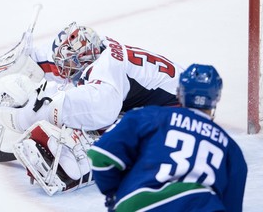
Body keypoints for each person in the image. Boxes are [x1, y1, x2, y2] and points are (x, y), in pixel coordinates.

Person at [0, 22, 185, 194]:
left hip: (180, 118)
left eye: (68, 64)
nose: (65, 70)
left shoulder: (106, 71)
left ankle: (78, 165)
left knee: (95, 136)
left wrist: (38, 108)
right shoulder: (103, 48)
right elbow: (70, 63)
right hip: (173, 98)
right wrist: (29, 60)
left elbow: (101, 108)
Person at [87, 64, 248, 212]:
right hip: (202, 206)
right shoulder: (231, 149)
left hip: (141, 204)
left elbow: (101, 156)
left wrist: (114, 193)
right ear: (216, 98)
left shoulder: (149, 116)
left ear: (179, 93)